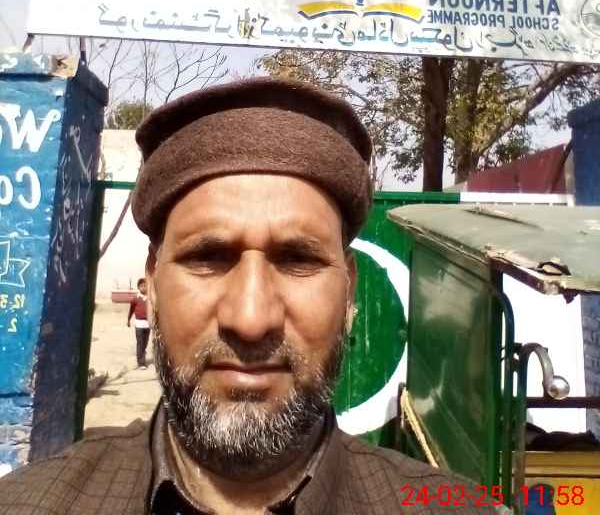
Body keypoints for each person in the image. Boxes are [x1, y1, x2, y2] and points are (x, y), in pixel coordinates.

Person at [0, 77, 497, 514]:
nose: (251, 318)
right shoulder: (29, 503)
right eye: (208, 258)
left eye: (297, 259)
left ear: (349, 292)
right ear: (151, 283)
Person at [127, 277, 151, 368]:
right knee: (140, 343)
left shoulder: (150, 298)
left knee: (145, 342)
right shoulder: (135, 299)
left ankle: (142, 354)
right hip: (139, 324)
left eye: (145, 286)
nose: (144, 287)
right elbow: (131, 310)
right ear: (138, 287)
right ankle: (141, 363)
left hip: (148, 324)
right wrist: (128, 320)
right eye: (142, 286)